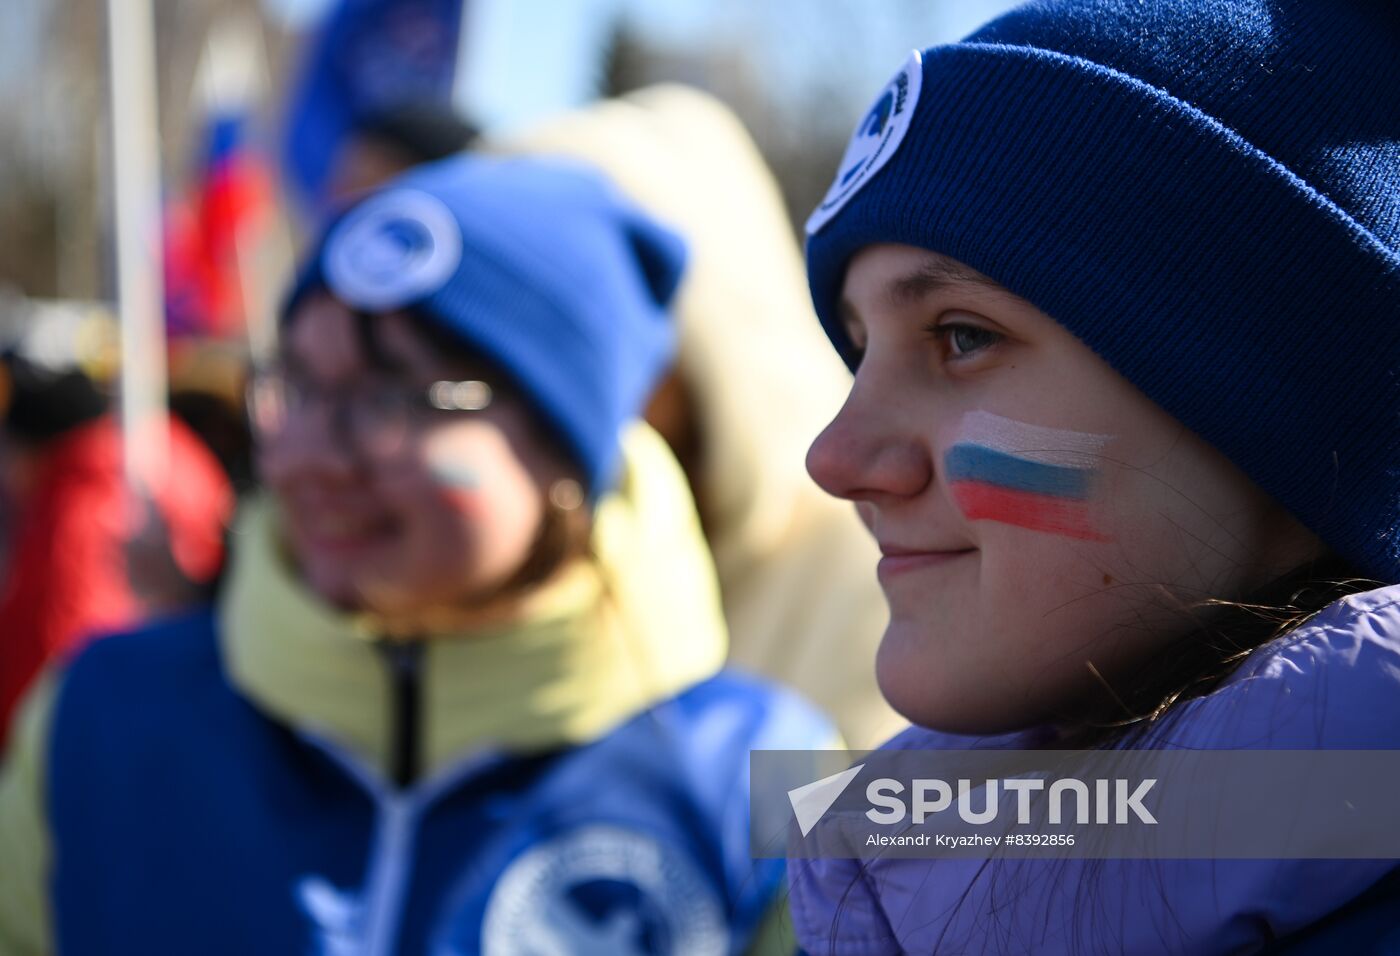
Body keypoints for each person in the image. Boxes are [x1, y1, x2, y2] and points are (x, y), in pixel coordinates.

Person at [0, 156, 833, 954]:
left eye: (395, 397)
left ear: (566, 451)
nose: (311, 457)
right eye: (296, 386)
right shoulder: (97, 717)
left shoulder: (782, 776)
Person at [786, 0, 1400, 952]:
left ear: (1274, 400)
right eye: (860, 352)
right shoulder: (894, 866)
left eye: (963, 337)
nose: (834, 460)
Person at [494, 85, 905, 750]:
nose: (544, 380)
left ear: (711, 328)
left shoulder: (888, 574)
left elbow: (866, 818)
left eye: (587, 328)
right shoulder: (501, 569)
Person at [0, 348, 232, 750]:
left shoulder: (82, 503)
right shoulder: (161, 450)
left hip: (84, 731)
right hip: (173, 706)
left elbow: (59, 637)